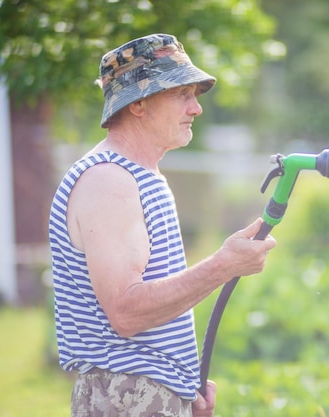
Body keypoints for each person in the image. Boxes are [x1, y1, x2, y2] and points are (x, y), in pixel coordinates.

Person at [48, 33, 276, 417]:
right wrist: (223, 265)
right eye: (182, 94)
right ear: (138, 104)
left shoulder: (139, 175)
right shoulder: (109, 180)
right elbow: (126, 312)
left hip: (143, 394)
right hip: (127, 395)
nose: (196, 109)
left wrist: (181, 388)